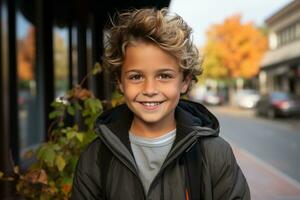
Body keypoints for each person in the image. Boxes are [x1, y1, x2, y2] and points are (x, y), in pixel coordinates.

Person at [71, 8, 250, 200]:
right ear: (120, 82)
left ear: (185, 82)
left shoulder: (214, 155)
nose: (149, 89)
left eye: (164, 76)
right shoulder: (96, 158)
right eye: (136, 76)